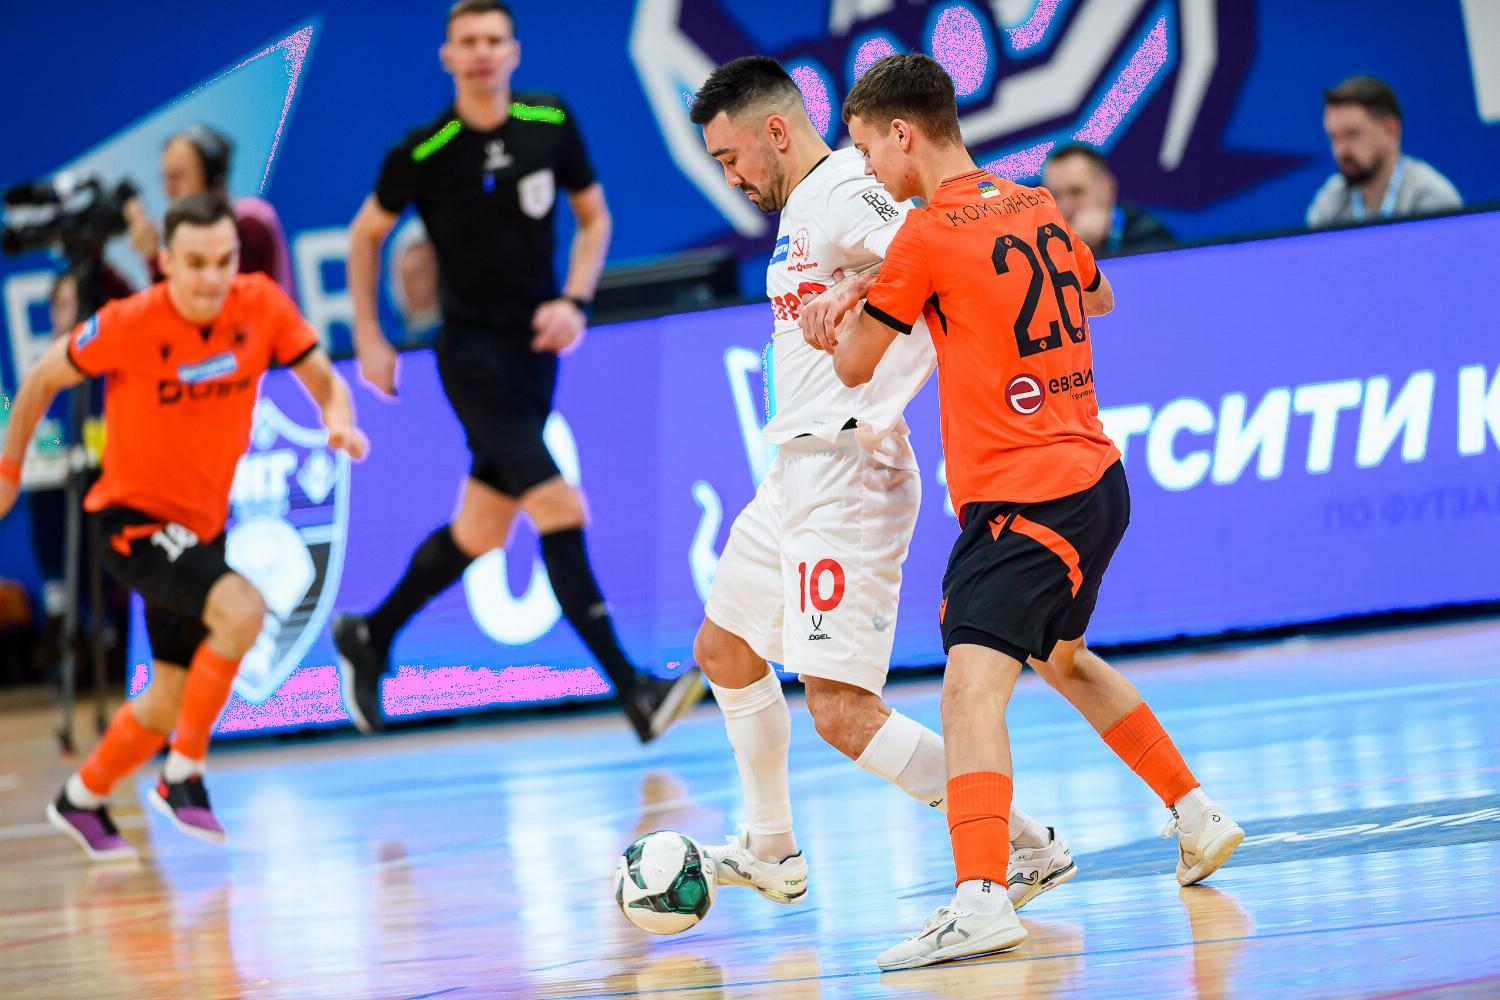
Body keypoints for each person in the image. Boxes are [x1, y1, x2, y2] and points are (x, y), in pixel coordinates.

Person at [820, 53, 1243, 970]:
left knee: (968, 690)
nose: (868, 170)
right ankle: (1197, 813)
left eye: (867, 149)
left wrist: (838, 306)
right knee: (1063, 658)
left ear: (903, 134)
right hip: (1096, 481)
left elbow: (853, 365)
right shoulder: (1037, 202)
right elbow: (1099, 294)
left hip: (1024, 497)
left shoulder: (925, 234)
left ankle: (980, 897)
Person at [685, 56, 1075, 913]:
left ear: (776, 131)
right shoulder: (804, 209)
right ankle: (771, 848)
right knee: (723, 647)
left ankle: (1025, 844)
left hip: (849, 474)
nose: (731, 177)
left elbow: (926, 245)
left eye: (730, 157)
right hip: (795, 470)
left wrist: (864, 282)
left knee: (840, 711)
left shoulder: (839, 192)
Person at [333, 0, 702, 742]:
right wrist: (370, 335)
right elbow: (365, 235)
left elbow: (595, 218)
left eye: (493, 40)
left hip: (535, 354)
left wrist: (575, 300)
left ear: (514, 52)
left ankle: (370, 633)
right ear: (447, 57)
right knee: (560, 507)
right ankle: (634, 691)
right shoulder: (425, 150)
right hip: (471, 357)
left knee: (480, 529)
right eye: (467, 41)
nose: (481, 52)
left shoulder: (550, 121)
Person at [0, 193, 368, 860]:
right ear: (166, 261)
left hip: (202, 526)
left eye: (224, 260)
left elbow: (323, 377)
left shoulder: (259, 305)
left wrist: (339, 419)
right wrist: (8, 469)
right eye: (195, 263)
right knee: (244, 609)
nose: (211, 277)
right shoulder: (130, 322)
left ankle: (82, 796)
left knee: (168, 697)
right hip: (132, 520)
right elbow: (39, 379)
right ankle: (184, 773)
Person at [126, 124, 298, 295]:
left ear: (212, 178)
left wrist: (153, 258)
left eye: (177, 177)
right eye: (165, 179)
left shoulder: (248, 224)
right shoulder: (197, 233)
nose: (167, 191)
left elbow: (210, 306)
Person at [1306, 76, 1462, 229]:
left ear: (1391, 130)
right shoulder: (1330, 200)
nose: (1341, 150)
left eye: (1352, 134)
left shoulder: (1432, 199)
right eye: (1333, 137)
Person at [1041, 144, 1175, 256]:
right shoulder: (1041, 244)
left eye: (1076, 192)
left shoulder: (1149, 234)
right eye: (1054, 195)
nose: (1065, 206)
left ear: (1107, 188)